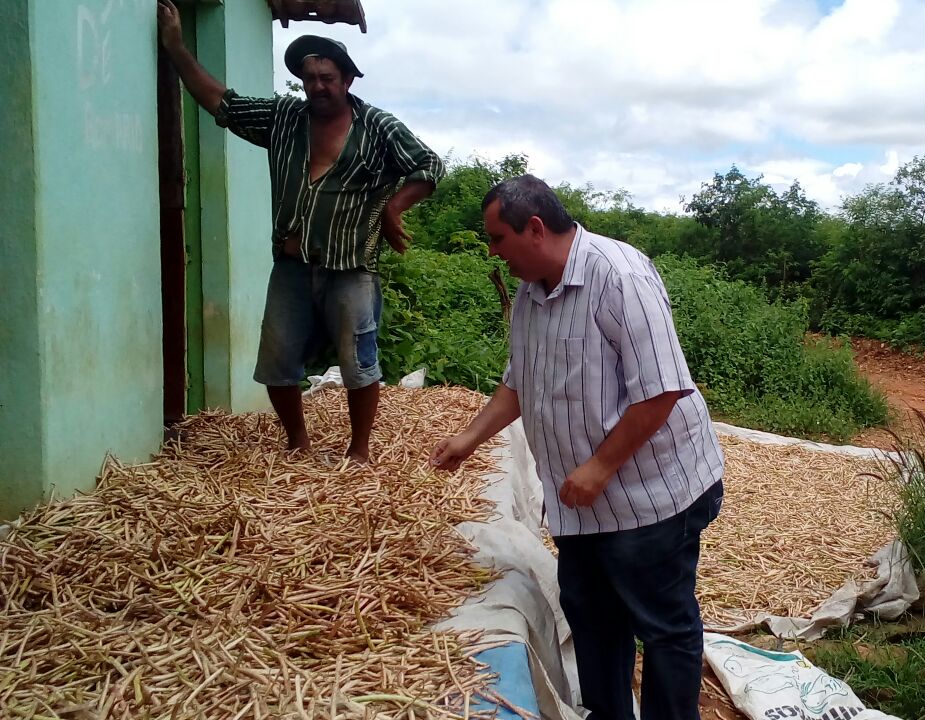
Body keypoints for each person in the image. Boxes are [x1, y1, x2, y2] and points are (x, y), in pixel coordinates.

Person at [432, 175, 725, 720]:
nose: (492, 251)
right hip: (579, 502)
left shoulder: (620, 276)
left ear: (535, 228)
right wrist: (469, 438)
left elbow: (661, 390)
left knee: (664, 627)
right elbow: (521, 378)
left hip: (651, 496)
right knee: (593, 620)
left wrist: (599, 466)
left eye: (497, 238)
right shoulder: (528, 292)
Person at [156, 0, 444, 462]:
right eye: (310, 78)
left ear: (347, 80)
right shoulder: (285, 119)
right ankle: (297, 444)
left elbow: (429, 165)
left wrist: (394, 206)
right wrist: (177, 49)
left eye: (327, 78)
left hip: (352, 266)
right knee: (277, 361)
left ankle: (360, 450)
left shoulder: (377, 126)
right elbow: (221, 102)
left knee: (359, 363)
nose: (317, 86)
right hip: (290, 265)